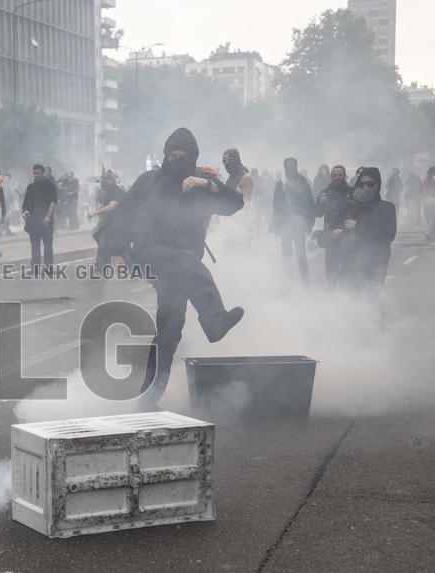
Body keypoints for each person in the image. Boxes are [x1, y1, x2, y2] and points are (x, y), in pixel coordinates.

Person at [107, 127, 245, 406]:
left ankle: (148, 397)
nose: (176, 161)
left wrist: (208, 185)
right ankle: (214, 319)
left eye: (182, 156)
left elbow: (235, 204)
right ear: (165, 155)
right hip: (149, 254)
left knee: (170, 328)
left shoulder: (200, 182)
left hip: (181, 268)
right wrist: (116, 250)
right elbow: (123, 213)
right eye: (172, 155)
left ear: (193, 157)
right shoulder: (149, 181)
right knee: (186, 260)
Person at [343, 167, 397, 291]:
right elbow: (341, 230)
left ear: (377, 185)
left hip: (376, 261)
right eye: (362, 184)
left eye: (370, 184)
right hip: (352, 261)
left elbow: (389, 233)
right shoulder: (351, 207)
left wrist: (358, 226)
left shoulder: (386, 207)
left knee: (372, 297)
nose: (365, 187)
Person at [271, 157, 316, 285]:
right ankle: (288, 283)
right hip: (285, 223)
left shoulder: (303, 183)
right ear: (285, 167)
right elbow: (276, 205)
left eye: (292, 166)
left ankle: (305, 283)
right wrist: (277, 224)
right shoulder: (280, 184)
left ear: (296, 167)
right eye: (288, 166)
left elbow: (310, 203)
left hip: (300, 223)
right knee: (286, 256)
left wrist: (310, 223)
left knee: (301, 255)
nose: (290, 168)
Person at [315, 165, 353, 291]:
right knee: (330, 263)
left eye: (340, 175)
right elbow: (318, 212)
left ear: (344, 176)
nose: (337, 177)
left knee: (346, 264)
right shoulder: (325, 192)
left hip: (346, 233)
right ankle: (331, 290)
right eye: (335, 175)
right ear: (331, 177)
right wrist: (320, 202)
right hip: (330, 233)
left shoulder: (351, 192)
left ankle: (345, 292)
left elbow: (358, 212)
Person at [22, 163, 58, 275]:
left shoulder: (50, 186)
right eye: (34, 173)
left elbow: (53, 202)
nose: (36, 175)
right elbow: (25, 203)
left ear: (43, 172)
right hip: (34, 221)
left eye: (38, 173)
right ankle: (35, 269)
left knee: (48, 246)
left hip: (46, 221)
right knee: (35, 246)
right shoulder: (31, 187)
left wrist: (48, 217)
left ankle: (49, 268)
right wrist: (24, 212)